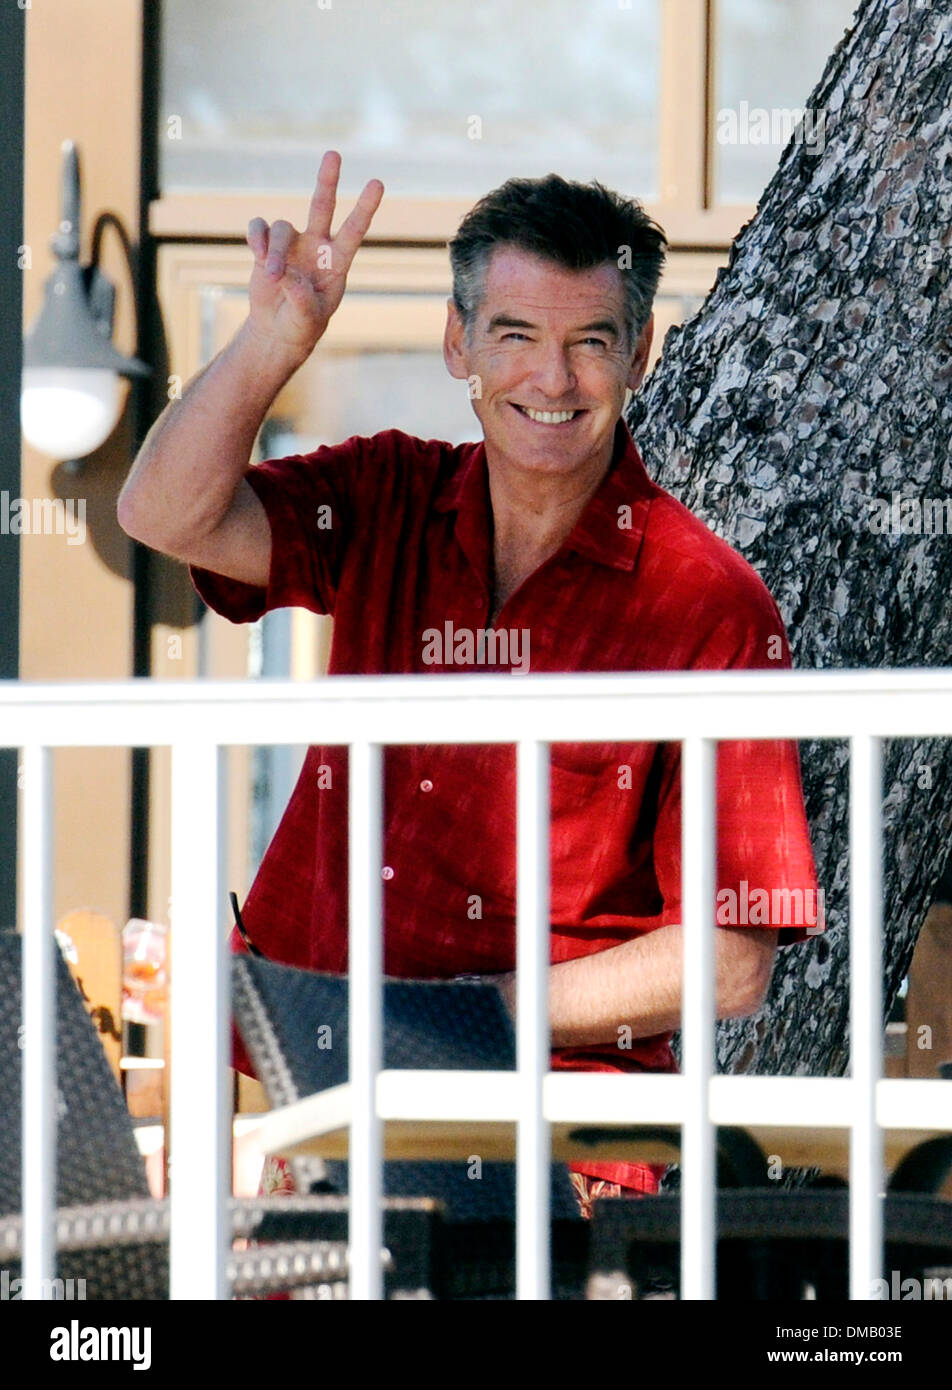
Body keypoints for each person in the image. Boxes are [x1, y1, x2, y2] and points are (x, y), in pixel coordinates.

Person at [118, 150, 822, 1217]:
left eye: (591, 342)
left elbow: (730, 962)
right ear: (459, 344)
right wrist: (272, 342)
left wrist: (453, 1020)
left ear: (641, 354)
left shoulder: (710, 605)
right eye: (515, 336)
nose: (552, 379)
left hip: (544, 1150)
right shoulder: (385, 494)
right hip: (304, 1107)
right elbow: (163, 515)